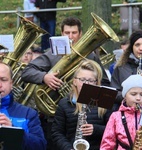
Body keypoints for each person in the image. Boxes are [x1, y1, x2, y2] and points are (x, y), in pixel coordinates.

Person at [21, 16, 110, 150]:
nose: (70, 37)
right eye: (67, 33)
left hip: (87, 116)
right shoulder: (52, 54)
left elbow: (105, 85)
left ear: (80, 35)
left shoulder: (90, 56)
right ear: (62, 34)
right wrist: (45, 77)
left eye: (74, 33)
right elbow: (27, 72)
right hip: (56, 115)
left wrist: (89, 85)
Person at [51, 59, 112, 150]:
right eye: (82, 79)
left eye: (91, 80)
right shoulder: (65, 103)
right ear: (74, 81)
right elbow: (57, 133)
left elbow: (114, 130)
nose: (86, 83)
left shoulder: (104, 101)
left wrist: (96, 130)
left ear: (96, 83)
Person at [0, 62, 46, 150]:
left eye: (3, 79)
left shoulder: (28, 113)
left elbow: (40, 146)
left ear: (11, 84)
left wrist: (13, 131)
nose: (0, 85)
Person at [100, 74, 142, 150]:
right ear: (125, 96)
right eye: (133, 94)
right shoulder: (115, 116)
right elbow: (107, 144)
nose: (138, 98)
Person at [110, 29, 142, 111]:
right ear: (132, 47)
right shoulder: (121, 67)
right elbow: (113, 93)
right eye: (137, 45)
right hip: (125, 114)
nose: (141, 48)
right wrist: (129, 95)